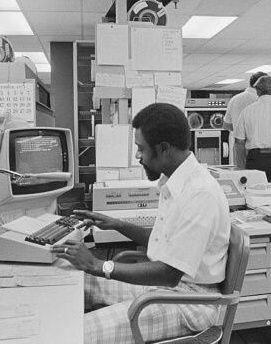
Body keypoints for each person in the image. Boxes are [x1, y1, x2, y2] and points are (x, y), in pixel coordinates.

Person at [53, 103, 231, 344]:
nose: (137, 156)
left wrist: (98, 265)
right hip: (168, 289)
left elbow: (169, 273)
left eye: (141, 149)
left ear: (164, 148)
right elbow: (165, 244)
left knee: (74, 334)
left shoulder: (200, 193)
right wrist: (116, 224)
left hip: (189, 302)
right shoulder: (177, 181)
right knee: (68, 278)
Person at [223, 71, 267, 168]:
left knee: (241, 177)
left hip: (239, 145)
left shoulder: (235, 99)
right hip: (257, 145)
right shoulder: (261, 100)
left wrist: (238, 127)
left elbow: (226, 125)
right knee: (257, 176)